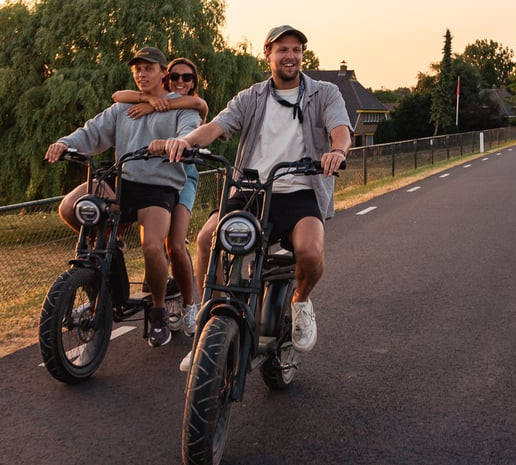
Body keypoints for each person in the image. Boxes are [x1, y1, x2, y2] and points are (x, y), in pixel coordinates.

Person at [158, 25, 352, 369]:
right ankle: (207, 325)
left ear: (302, 55)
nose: (290, 56)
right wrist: (187, 142)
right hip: (250, 191)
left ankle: (301, 303)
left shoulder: (325, 93)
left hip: (300, 190)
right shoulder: (251, 97)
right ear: (268, 55)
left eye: (296, 50)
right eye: (283, 50)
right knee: (206, 239)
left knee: (310, 251)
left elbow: (340, 128)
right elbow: (217, 126)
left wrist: (336, 150)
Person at [44, 46, 201, 347]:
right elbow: (91, 132)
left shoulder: (183, 108)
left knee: (155, 247)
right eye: (137, 69)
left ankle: (157, 309)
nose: (142, 74)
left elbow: (190, 132)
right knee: (69, 207)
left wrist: (172, 143)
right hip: (123, 180)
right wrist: (64, 143)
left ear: (163, 73)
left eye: (149, 68)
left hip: (158, 186)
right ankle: (107, 256)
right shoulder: (122, 108)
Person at [111, 57, 208, 336]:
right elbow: (118, 96)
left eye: (187, 78)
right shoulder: (152, 103)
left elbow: (197, 105)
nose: (180, 82)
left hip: (183, 177)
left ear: (194, 83)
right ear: (166, 78)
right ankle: (107, 288)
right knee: (138, 230)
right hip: (159, 176)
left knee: (175, 245)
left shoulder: (194, 107)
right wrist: (150, 100)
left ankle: (190, 306)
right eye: (174, 77)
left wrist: (156, 104)